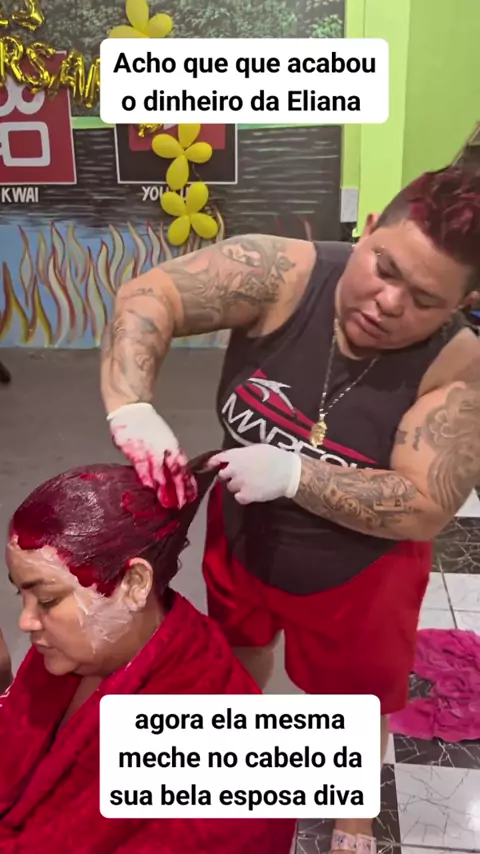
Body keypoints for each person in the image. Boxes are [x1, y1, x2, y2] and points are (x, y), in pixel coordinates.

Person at [101, 166, 480, 854]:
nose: (388, 302)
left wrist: (297, 475)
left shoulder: (459, 367)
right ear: (368, 230)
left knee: (354, 700)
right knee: (238, 653)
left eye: (424, 299)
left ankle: (352, 808)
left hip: (359, 572)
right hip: (244, 533)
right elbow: (150, 295)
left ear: (465, 301)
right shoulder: (281, 274)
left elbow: (425, 506)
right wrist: (131, 405)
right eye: (383, 267)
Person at [0, 454, 296, 854]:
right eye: (21, 593)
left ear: (135, 583)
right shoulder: (71, 648)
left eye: (48, 599)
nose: (26, 621)